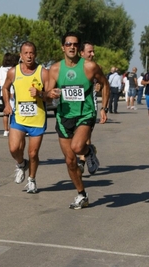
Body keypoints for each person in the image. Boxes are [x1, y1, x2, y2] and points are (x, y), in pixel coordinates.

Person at [47, 32, 109, 209]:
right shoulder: (55, 69)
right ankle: (82, 195)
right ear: (62, 47)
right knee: (70, 161)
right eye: (68, 44)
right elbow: (47, 95)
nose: (71, 47)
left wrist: (104, 108)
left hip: (85, 114)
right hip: (63, 116)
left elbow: (104, 84)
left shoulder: (90, 67)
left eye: (75, 44)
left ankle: (87, 151)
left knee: (76, 147)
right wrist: (48, 94)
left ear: (79, 48)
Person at [2, 41, 49, 194]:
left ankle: (32, 180)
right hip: (19, 117)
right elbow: (5, 88)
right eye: (26, 53)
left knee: (33, 153)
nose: (29, 56)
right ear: (21, 55)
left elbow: (50, 97)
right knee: (14, 148)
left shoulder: (43, 72)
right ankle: (22, 164)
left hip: (37, 118)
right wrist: (7, 105)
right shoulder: (13, 72)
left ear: (35, 54)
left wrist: (40, 94)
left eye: (32, 53)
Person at [77, 41, 104, 173]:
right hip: (73, 106)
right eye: (90, 52)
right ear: (81, 53)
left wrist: (99, 87)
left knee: (85, 132)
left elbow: (103, 84)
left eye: (93, 52)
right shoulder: (71, 67)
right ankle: (89, 151)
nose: (92, 54)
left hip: (90, 105)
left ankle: (82, 160)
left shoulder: (96, 67)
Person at [0, 53, 19, 137]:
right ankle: (13, 129)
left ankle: (5, 130)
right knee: (14, 112)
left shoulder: (0, 69)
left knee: (5, 112)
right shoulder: (13, 69)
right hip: (12, 91)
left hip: (3, 92)